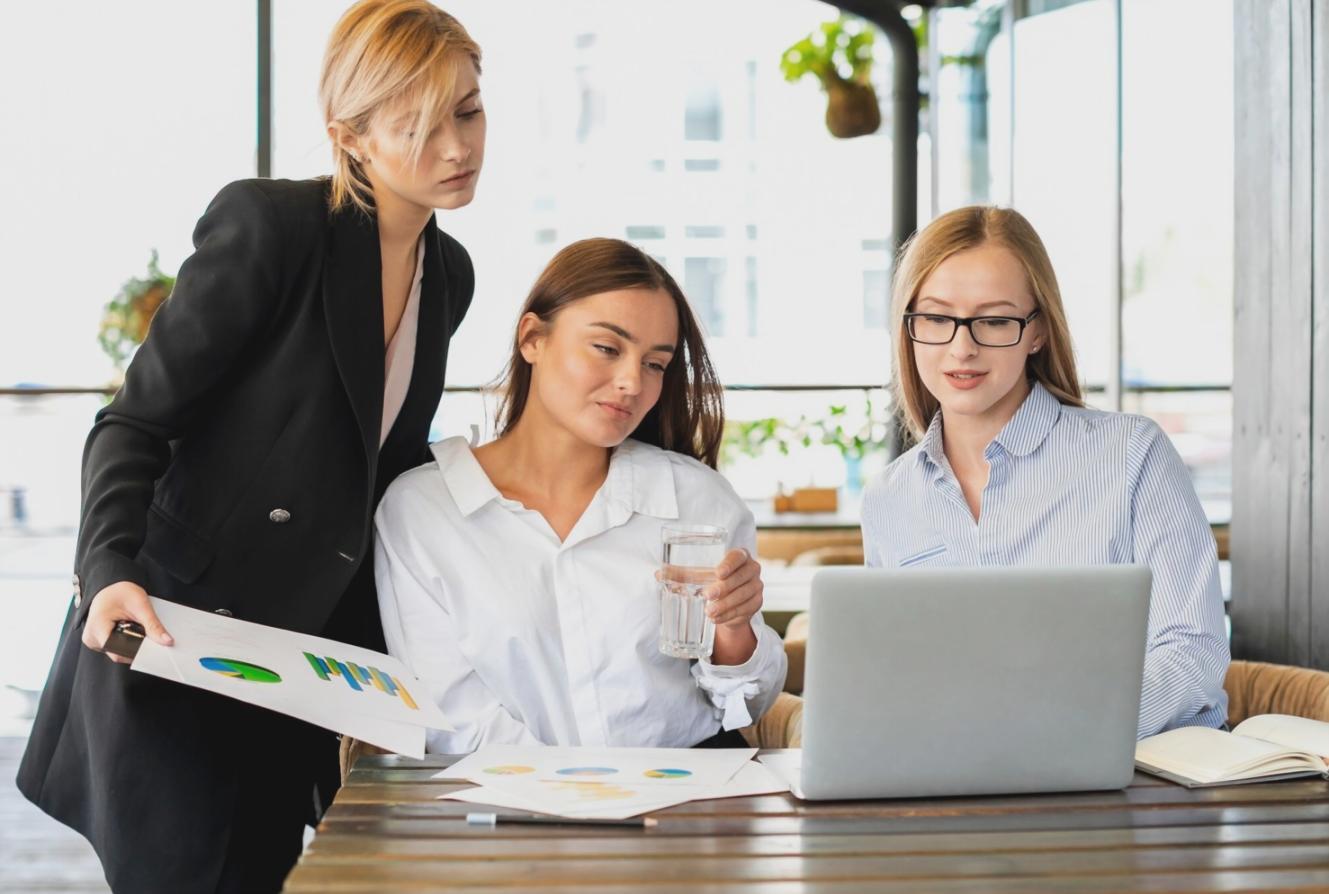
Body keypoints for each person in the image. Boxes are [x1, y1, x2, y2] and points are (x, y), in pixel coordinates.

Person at [18, 2, 484, 891]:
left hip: (303, 658)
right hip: (180, 629)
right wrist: (108, 565)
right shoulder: (274, 228)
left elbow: (378, 466)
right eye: (419, 125)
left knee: (269, 872)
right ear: (349, 135)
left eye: (467, 111)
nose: (456, 146)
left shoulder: (449, 274)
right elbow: (134, 422)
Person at [373, 238, 788, 752]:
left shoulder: (698, 498)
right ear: (532, 339)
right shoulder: (422, 510)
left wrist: (735, 631)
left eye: (655, 364)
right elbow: (452, 715)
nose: (632, 382)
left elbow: (743, 707)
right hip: (510, 807)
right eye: (607, 348)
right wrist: (580, 803)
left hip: (688, 801)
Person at [861, 205, 1229, 739]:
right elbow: (894, 678)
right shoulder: (889, 499)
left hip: (1135, 781)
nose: (962, 347)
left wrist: (1060, 727)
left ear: (1037, 332)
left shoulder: (1132, 456)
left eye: (994, 320)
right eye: (937, 318)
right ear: (910, 329)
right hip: (959, 784)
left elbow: (1192, 650)